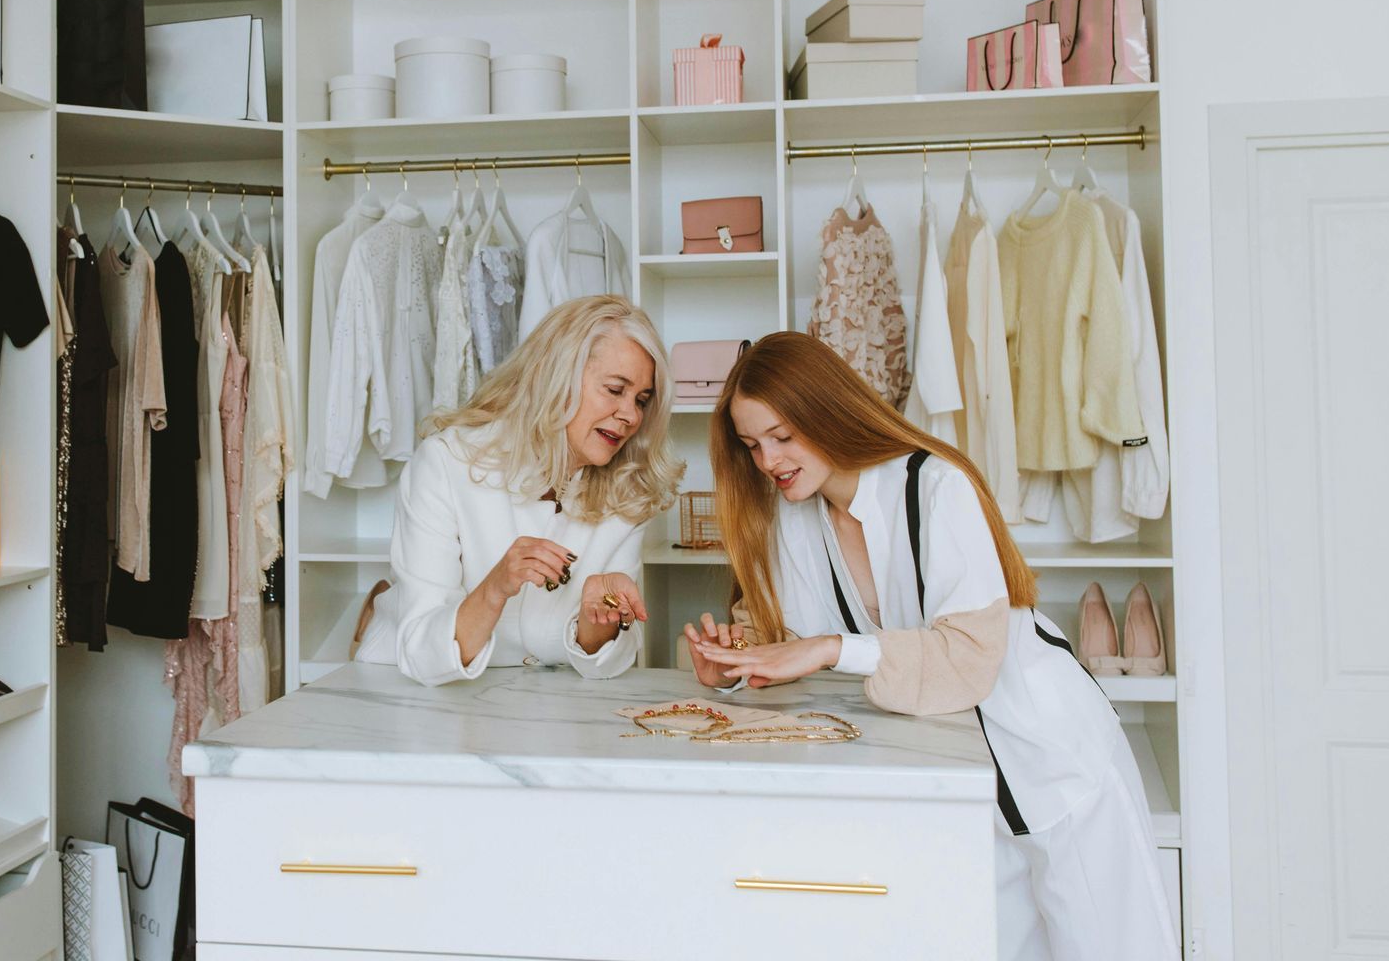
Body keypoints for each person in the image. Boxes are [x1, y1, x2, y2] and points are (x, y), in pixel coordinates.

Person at [686, 331, 1175, 961]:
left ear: (827, 411)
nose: (768, 460)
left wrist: (834, 648)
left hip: (1054, 764)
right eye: (752, 445)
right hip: (954, 787)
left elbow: (968, 656)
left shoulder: (938, 487)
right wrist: (733, 660)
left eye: (782, 436)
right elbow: (777, 636)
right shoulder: (792, 519)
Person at [359, 295, 683, 686]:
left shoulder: (627, 492)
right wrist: (495, 588)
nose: (631, 415)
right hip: (405, 698)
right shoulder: (447, 463)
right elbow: (421, 652)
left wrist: (598, 621)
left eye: (641, 400)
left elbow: (608, 663)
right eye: (615, 390)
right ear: (556, 376)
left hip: (536, 715)